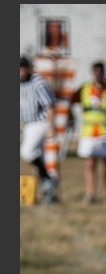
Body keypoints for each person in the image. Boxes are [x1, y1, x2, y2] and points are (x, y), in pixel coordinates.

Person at [69, 60, 106, 203]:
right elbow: (70, 99)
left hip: (105, 132)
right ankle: (90, 194)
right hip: (89, 132)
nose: (98, 75)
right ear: (92, 73)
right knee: (89, 164)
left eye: (100, 72)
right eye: (96, 72)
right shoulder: (85, 88)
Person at [19, 55, 59, 204]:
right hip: (26, 125)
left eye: (24, 68)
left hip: (39, 122)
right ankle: (48, 192)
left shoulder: (38, 83)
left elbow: (50, 105)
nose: (21, 72)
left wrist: (50, 126)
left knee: (27, 152)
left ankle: (48, 178)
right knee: (38, 157)